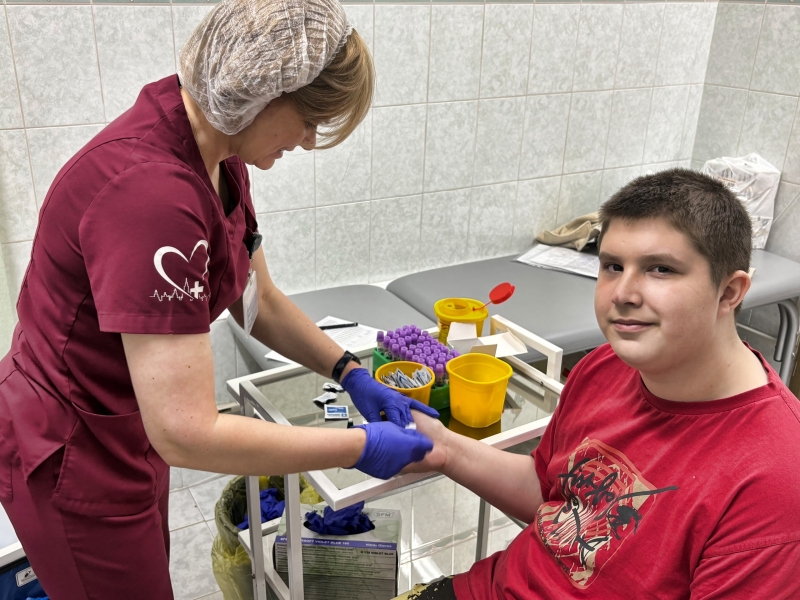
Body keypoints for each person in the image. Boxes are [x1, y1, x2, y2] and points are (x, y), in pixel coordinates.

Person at [0, 0, 436, 597]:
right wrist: (356, 447)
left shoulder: (221, 153)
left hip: (128, 422)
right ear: (263, 91)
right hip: (73, 448)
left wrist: (349, 370)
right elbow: (187, 431)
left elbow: (259, 302)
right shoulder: (150, 195)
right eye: (309, 121)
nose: (309, 142)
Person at [401, 169, 800, 599]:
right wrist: (443, 448)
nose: (622, 293)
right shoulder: (606, 365)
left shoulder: (776, 478)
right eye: (613, 266)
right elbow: (549, 492)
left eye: (660, 269)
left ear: (729, 292)